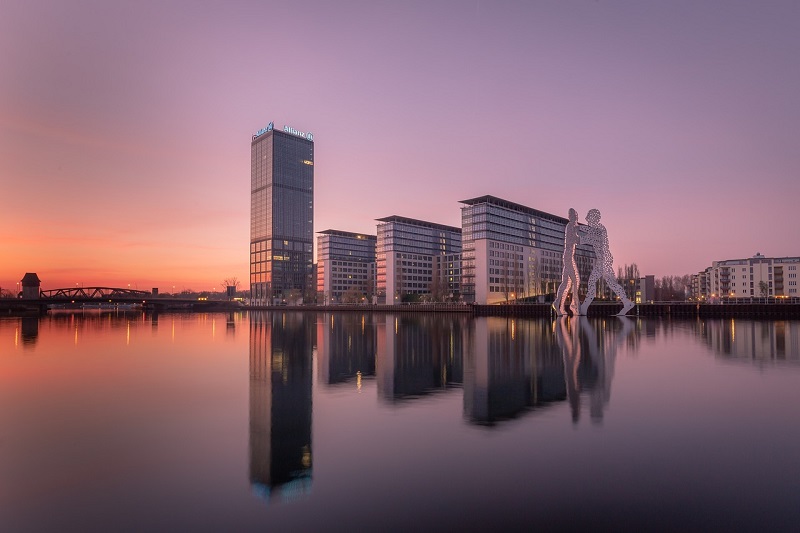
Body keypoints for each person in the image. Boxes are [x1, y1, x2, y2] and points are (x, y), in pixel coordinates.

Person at [579, 209, 635, 316]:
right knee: (611, 283)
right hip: (604, 259)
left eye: (589, 218)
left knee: (592, 282)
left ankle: (584, 307)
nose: (587, 220)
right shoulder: (598, 229)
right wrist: (579, 228)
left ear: (595, 219)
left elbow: (588, 237)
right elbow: (589, 232)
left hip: (603, 260)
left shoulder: (599, 230)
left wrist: (577, 231)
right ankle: (627, 303)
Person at [553, 208, 581, 316]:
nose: (575, 218)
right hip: (568, 256)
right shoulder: (570, 226)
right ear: (571, 217)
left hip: (570, 256)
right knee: (575, 280)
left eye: (576, 216)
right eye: (574, 216)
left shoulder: (572, 227)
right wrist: (579, 233)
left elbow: (575, 240)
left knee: (566, 283)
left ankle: (559, 305)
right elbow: (574, 240)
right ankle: (573, 304)